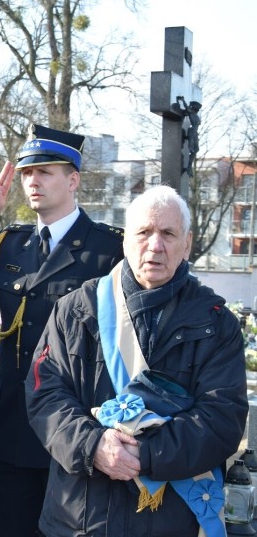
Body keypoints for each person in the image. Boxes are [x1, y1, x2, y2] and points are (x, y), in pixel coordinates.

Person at [26, 185, 248, 536]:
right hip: (78, 521)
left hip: (172, 522)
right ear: (125, 239)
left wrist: (145, 455)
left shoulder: (216, 322)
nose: (155, 246)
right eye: (144, 232)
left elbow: (222, 418)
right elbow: (46, 398)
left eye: (168, 233)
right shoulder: (76, 310)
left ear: (186, 244)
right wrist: (93, 445)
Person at [0, 124, 123, 536]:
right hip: (12, 427)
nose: (33, 181)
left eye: (45, 171)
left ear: (73, 179)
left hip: (77, 431)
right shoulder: (10, 243)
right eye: (27, 173)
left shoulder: (108, 251)